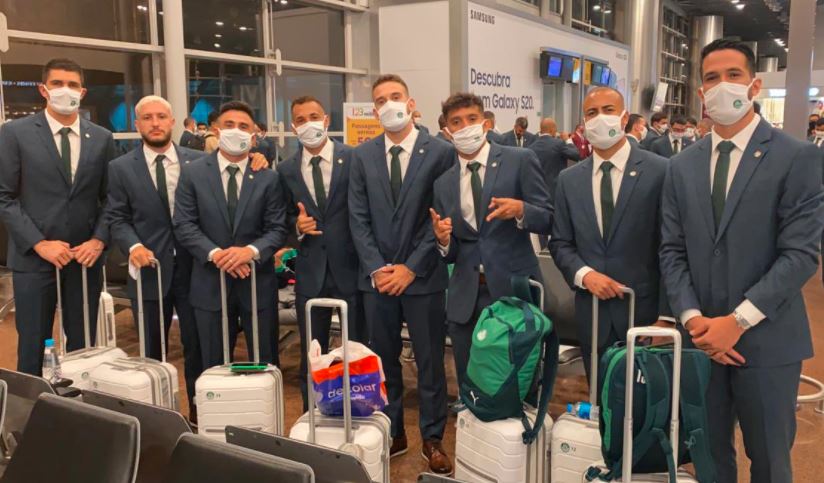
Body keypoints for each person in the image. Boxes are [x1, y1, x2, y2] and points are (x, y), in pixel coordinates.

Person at [659, 39, 824, 483]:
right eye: (712, 77)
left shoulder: (796, 157)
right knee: (708, 458)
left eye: (733, 75)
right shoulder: (681, 166)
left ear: (753, 85)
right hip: (700, 341)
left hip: (767, 341)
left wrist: (738, 320)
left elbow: (801, 255)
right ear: (700, 93)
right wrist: (694, 320)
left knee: (769, 462)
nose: (722, 85)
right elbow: (671, 250)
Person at [348, 74, 454, 474]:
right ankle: (392, 430)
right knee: (384, 359)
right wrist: (378, 269)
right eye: (380, 100)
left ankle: (432, 436)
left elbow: (440, 220)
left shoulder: (440, 153)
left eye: (396, 97)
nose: (388, 104)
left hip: (421, 278)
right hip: (377, 281)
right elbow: (358, 218)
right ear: (373, 110)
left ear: (410, 103)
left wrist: (410, 268)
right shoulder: (363, 156)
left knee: (429, 362)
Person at [549, 86, 673, 383]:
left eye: (608, 110)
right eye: (592, 113)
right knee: (603, 404)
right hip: (593, 315)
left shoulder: (661, 171)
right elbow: (561, 243)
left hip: (645, 315)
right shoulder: (569, 180)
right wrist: (584, 275)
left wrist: (668, 317)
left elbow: (673, 247)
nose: (600, 119)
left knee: (649, 410)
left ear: (624, 117)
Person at [0, 58, 115, 375]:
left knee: (83, 346)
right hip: (35, 258)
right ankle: (29, 412)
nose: (65, 90)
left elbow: (111, 198)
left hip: (84, 259)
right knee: (32, 343)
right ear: (43, 90)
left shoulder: (102, 138)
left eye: (73, 85)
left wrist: (99, 240)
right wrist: (40, 243)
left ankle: (80, 411)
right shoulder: (15, 134)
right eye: (57, 84)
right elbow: (4, 197)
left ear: (83, 91)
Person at [431, 92, 552, 387]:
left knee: (520, 381)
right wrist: (443, 240)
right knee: (471, 383)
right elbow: (453, 251)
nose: (465, 126)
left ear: (485, 122)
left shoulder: (519, 160)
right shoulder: (444, 182)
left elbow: (548, 216)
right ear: (447, 130)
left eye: (472, 119)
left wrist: (522, 210)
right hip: (466, 298)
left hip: (513, 289)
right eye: (456, 122)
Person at [107, 96, 208, 424]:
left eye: (161, 116)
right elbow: (117, 217)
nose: (155, 123)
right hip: (149, 268)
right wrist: (132, 245)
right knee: (151, 349)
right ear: (137, 125)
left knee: (198, 347)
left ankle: (198, 414)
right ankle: (157, 419)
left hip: (195, 270)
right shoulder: (120, 168)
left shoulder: (199, 161)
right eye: (147, 117)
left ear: (173, 120)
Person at [173, 101, 288, 369]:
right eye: (229, 125)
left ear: (254, 134)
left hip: (257, 284)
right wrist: (217, 255)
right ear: (216, 129)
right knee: (212, 364)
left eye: (243, 126)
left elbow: (277, 228)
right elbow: (184, 224)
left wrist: (249, 252)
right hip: (210, 283)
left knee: (265, 362)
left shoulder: (267, 178)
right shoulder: (193, 174)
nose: (236, 130)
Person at [278, 95, 363, 411]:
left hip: (351, 270)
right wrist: (296, 227)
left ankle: (357, 411)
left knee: (354, 351)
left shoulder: (354, 158)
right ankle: (311, 414)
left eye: (314, 116)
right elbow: (281, 218)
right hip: (310, 274)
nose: (308, 123)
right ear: (293, 127)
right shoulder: (286, 169)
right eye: (301, 119)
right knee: (310, 354)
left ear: (327, 120)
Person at [528, 117, 581, 199]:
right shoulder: (558, 144)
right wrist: (568, 140)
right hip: (555, 193)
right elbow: (576, 155)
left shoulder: (531, 147)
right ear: (552, 130)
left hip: (536, 193)